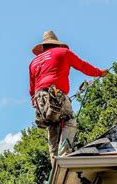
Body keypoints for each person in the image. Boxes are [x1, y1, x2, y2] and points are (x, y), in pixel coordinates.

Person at [29, 30, 107, 164]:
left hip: (39, 99)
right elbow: (82, 66)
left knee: (52, 127)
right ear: (57, 44)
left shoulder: (34, 62)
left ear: (44, 46)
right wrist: (99, 73)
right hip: (55, 94)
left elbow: (32, 87)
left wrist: (36, 104)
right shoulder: (63, 53)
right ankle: (64, 157)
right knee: (70, 122)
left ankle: (55, 163)